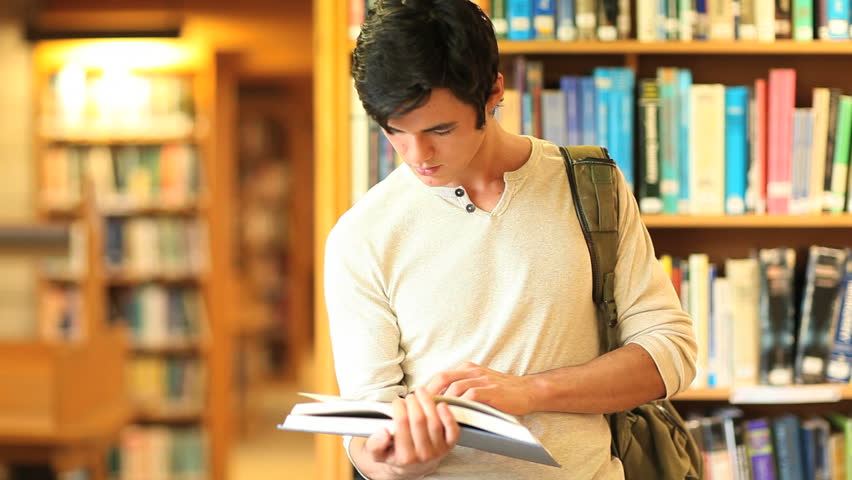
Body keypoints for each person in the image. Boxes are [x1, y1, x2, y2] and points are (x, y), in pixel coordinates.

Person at [324, 0, 698, 478]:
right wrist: (396, 459)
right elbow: (364, 435)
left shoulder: (589, 187)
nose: (418, 155)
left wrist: (531, 392)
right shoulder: (362, 235)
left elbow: (671, 351)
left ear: (494, 92)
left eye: (441, 129)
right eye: (395, 131)